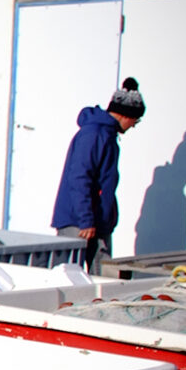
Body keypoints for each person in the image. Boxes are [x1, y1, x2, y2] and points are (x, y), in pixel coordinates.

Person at [51, 77, 146, 272]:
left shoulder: (107, 135)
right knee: (73, 278)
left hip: (95, 221)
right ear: (126, 115)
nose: (134, 125)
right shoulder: (94, 134)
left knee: (102, 278)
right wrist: (86, 219)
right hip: (79, 223)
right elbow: (79, 177)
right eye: (136, 120)